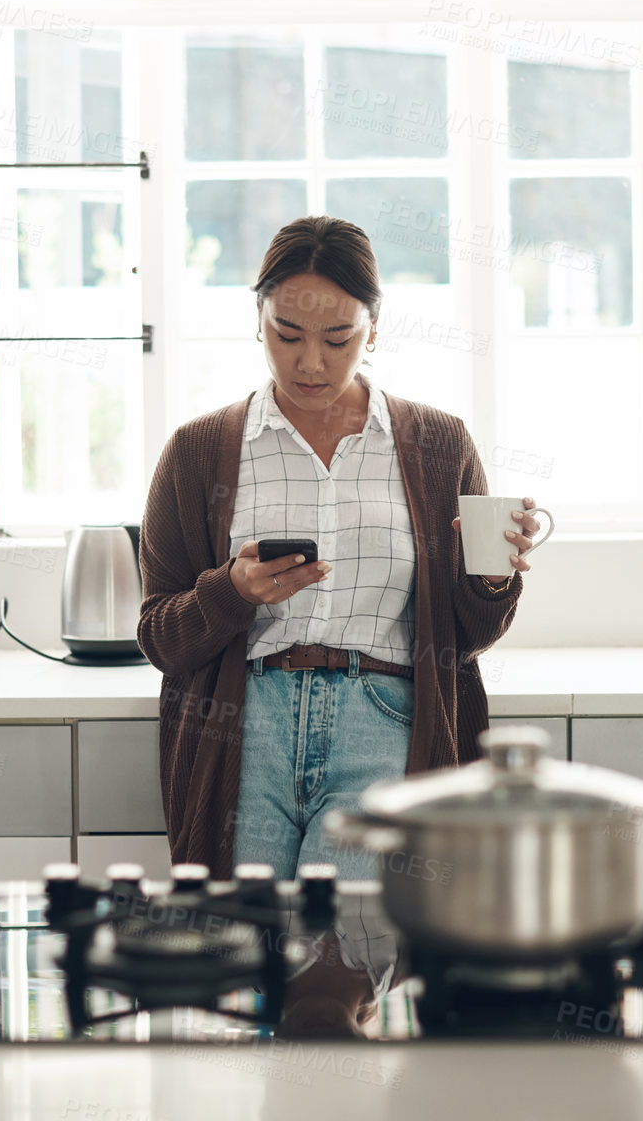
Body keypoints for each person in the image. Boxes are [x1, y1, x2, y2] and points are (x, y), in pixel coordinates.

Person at [137, 214, 546, 884]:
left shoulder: (438, 446)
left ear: (375, 328)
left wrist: (493, 578)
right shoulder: (198, 451)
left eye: (338, 338)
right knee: (253, 950)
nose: (309, 362)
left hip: (386, 720)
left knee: (350, 954)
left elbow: (469, 637)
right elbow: (161, 639)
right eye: (286, 334)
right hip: (245, 729)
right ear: (258, 321)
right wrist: (231, 594)